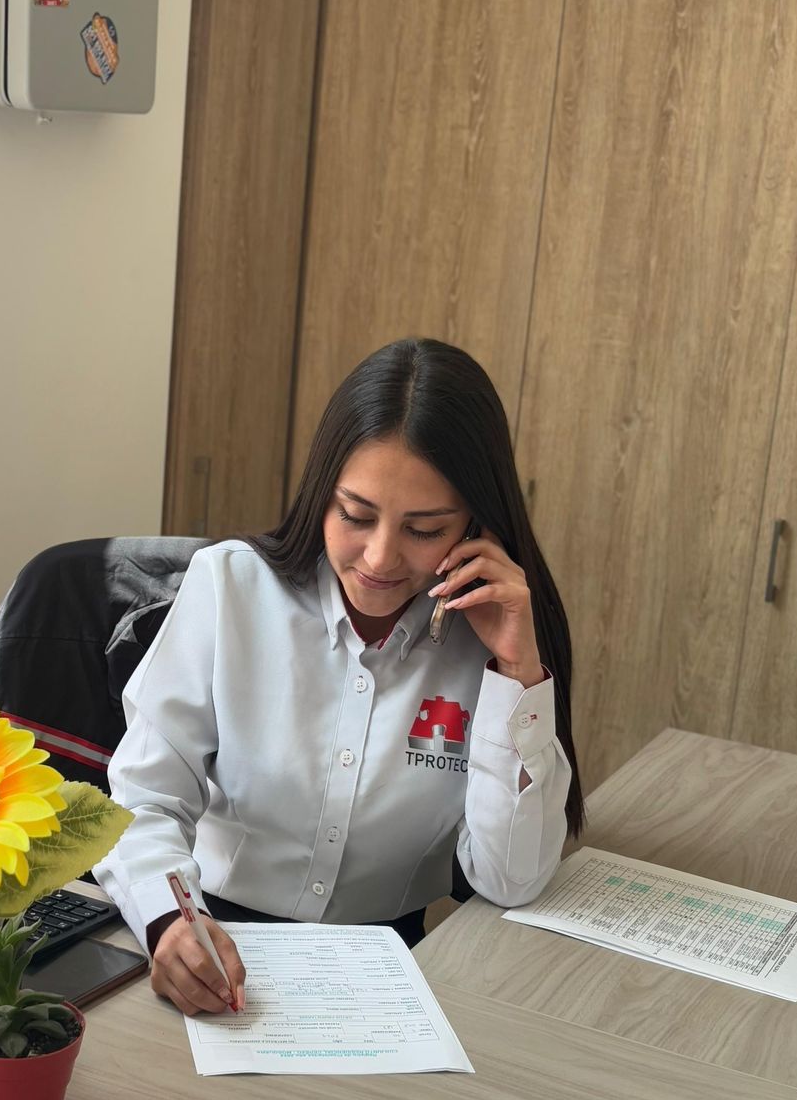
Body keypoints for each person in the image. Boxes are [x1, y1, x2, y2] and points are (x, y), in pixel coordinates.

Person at [95, 338, 583, 1017]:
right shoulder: (232, 589)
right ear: (322, 491)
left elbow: (511, 880)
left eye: (425, 528)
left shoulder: (488, 638)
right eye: (356, 516)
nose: (380, 558)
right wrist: (168, 921)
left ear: (475, 522)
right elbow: (143, 797)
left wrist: (516, 674)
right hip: (213, 945)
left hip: (389, 977)